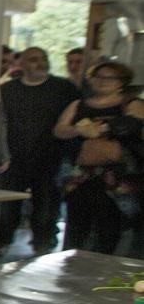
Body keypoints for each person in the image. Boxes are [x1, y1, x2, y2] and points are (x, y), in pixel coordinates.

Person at [0, 46, 80, 255]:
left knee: (47, 205)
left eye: (43, 58)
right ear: (21, 64)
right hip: (14, 158)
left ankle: (42, 243)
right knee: (7, 204)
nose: (40, 63)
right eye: (33, 59)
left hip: (51, 157)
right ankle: (1, 240)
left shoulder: (63, 88)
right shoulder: (8, 90)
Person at [53, 60, 144, 254]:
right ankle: (70, 270)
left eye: (110, 78)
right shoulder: (79, 104)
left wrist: (102, 128)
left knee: (110, 227)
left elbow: (135, 124)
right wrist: (79, 130)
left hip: (116, 177)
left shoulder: (132, 103)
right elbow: (60, 130)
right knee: (77, 226)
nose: (102, 81)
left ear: (121, 82)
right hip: (81, 176)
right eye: (98, 77)